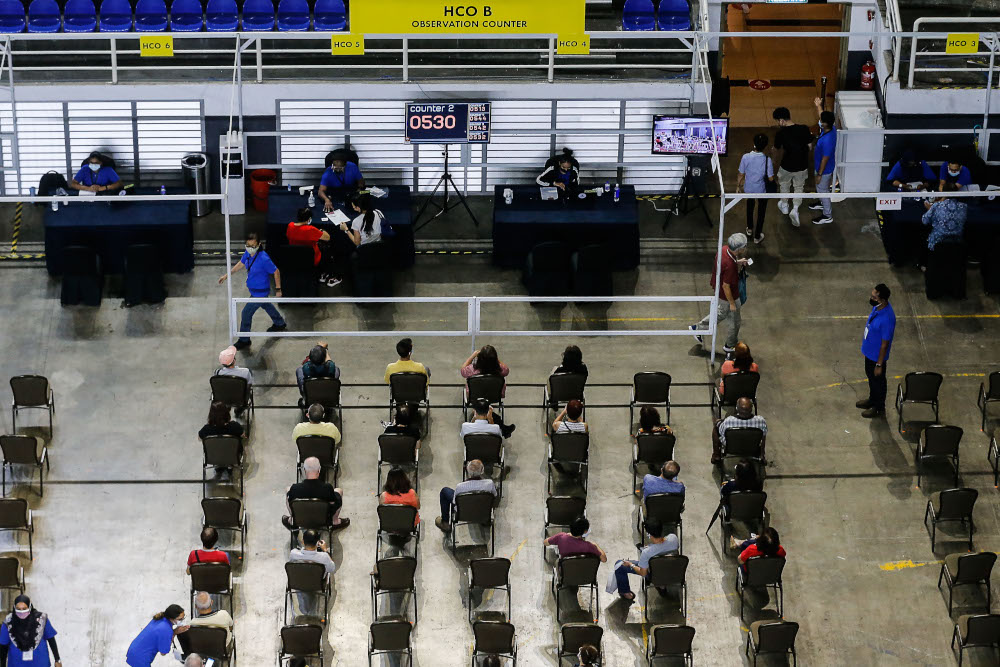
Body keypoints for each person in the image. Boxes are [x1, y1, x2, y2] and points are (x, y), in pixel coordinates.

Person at [218, 232, 286, 350]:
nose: (250, 248)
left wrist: (278, 289)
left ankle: (244, 340)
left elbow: (276, 271)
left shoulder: (264, 258)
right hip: (255, 291)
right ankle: (280, 323)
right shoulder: (248, 254)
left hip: (260, 292)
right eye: (248, 245)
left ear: (259, 245)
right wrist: (226, 275)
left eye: (253, 246)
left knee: (246, 313)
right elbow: (241, 264)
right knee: (266, 305)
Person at [689, 232, 750, 355]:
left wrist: (738, 262)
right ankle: (730, 345)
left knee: (722, 312)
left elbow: (723, 267)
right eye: (744, 246)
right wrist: (732, 303)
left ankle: (698, 329)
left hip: (719, 289)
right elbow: (726, 286)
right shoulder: (731, 267)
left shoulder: (724, 250)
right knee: (735, 320)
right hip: (728, 295)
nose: (745, 248)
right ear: (738, 249)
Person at [611, 519, 679, 602]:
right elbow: (664, 544)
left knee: (619, 565)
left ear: (648, 534)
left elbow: (643, 573)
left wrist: (630, 564)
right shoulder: (674, 538)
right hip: (672, 571)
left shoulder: (646, 553)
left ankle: (625, 592)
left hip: (654, 574)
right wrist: (652, 546)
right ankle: (661, 586)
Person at [282, 457, 350, 532]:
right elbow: (335, 503)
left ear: (304, 470)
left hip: (301, 517)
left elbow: (290, 501)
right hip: (323, 519)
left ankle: (292, 520)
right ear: (319, 470)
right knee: (338, 491)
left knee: (288, 490)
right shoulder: (327, 488)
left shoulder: (295, 488)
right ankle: (335, 521)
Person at [858, 283, 896, 419]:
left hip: (876, 357)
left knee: (878, 382)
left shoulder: (887, 319)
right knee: (871, 379)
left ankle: (879, 408)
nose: (871, 298)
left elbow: (884, 345)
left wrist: (879, 364)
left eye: (874, 297)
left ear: (883, 300)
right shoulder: (878, 307)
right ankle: (872, 400)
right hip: (869, 353)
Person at [771, 107, 813, 227]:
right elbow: (810, 146)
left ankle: (784, 205)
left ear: (782, 120)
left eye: (778, 121)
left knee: (784, 184)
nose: (778, 123)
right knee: (799, 187)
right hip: (802, 165)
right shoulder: (804, 128)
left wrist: (774, 160)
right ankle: (795, 209)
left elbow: (776, 149)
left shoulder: (780, 133)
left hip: (787, 165)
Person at [436, 459, 496, 532]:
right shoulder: (490, 484)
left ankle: (445, 523)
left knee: (444, 491)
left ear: (467, 470)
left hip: (463, 514)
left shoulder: (460, 487)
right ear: (482, 471)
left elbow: (455, 502)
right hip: (484, 512)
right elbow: (494, 496)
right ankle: (485, 521)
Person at [0, 595, 60, 667]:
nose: (21, 612)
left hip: (40, 663)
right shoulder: (8, 623)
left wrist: (57, 659)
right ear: (14, 608)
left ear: (30, 607)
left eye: (24, 608)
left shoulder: (41, 620)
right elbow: (3, 647)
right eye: (18, 609)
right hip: (16, 664)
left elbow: (51, 639)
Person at [737, 133, 775, 244]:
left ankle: (749, 229)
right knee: (761, 212)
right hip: (762, 191)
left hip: (748, 188)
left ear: (754, 144)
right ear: (765, 146)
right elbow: (771, 178)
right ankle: (757, 236)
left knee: (750, 207)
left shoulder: (746, 157)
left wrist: (738, 186)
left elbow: (740, 174)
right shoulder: (767, 160)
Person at [286, 206, 338, 287]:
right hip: (312, 258)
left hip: (295, 257)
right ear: (309, 219)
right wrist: (321, 230)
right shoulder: (310, 230)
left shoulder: (290, 226)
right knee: (327, 247)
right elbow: (327, 238)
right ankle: (329, 272)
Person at [288, 529, 337, 614]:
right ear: (318, 543)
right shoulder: (324, 557)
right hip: (317, 584)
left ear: (303, 541)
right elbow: (332, 569)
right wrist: (325, 550)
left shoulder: (293, 554)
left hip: (298, 582)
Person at [713, 397, 768, 465]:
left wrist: (718, 422)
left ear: (737, 408)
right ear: (751, 409)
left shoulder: (728, 421)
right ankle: (762, 456)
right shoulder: (761, 421)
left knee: (715, 429)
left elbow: (721, 432)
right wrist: (762, 453)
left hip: (731, 447)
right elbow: (763, 438)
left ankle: (716, 455)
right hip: (753, 447)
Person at [921, 182, 967, 260]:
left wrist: (930, 210)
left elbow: (924, 221)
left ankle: (924, 264)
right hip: (957, 241)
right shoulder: (964, 206)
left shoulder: (936, 206)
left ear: (943, 192)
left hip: (938, 242)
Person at [808, 100, 837, 226]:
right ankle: (821, 203)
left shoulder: (827, 140)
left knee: (823, 190)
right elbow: (822, 115)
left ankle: (827, 215)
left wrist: (819, 174)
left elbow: (825, 158)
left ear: (825, 124)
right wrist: (818, 105)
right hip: (821, 166)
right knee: (820, 188)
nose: (819, 121)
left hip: (824, 170)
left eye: (821, 121)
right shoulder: (831, 128)